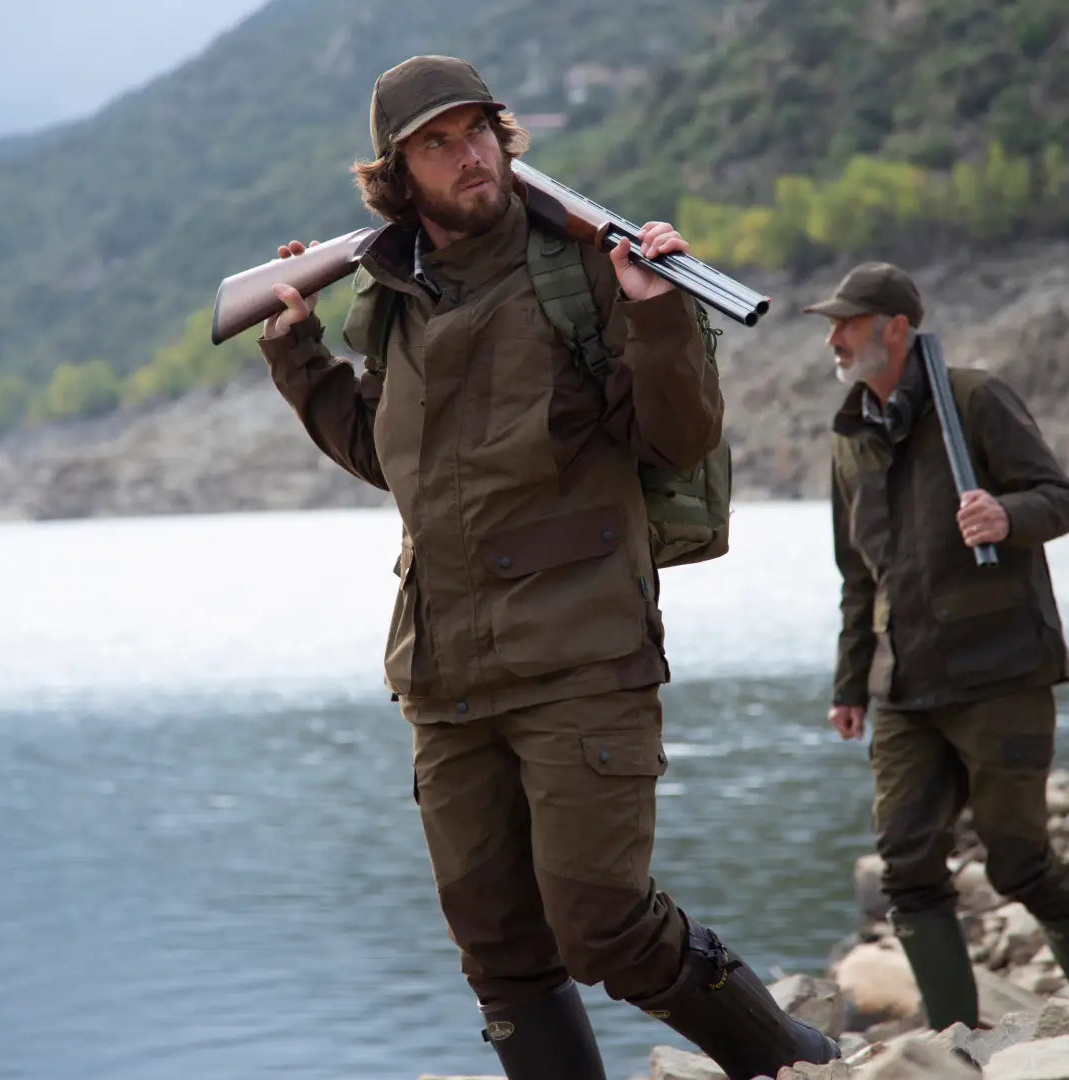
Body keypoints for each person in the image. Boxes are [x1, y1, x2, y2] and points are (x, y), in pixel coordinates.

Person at [257, 53, 839, 1080]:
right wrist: (299, 356)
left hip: (582, 654)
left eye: (478, 129)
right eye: (437, 142)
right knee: (497, 949)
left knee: (604, 925)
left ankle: (793, 1059)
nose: (468, 153)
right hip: (443, 676)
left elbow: (678, 435)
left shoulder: (585, 274)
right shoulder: (390, 295)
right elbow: (392, 461)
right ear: (395, 174)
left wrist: (657, 311)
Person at [806, 262, 1069, 1031]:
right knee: (906, 870)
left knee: (1019, 862)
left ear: (895, 328)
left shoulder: (977, 397)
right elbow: (856, 574)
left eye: (846, 323)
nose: (832, 337)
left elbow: (1057, 497)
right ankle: (959, 1042)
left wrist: (1006, 515)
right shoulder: (847, 434)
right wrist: (850, 685)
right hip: (905, 687)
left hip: (1000, 672)